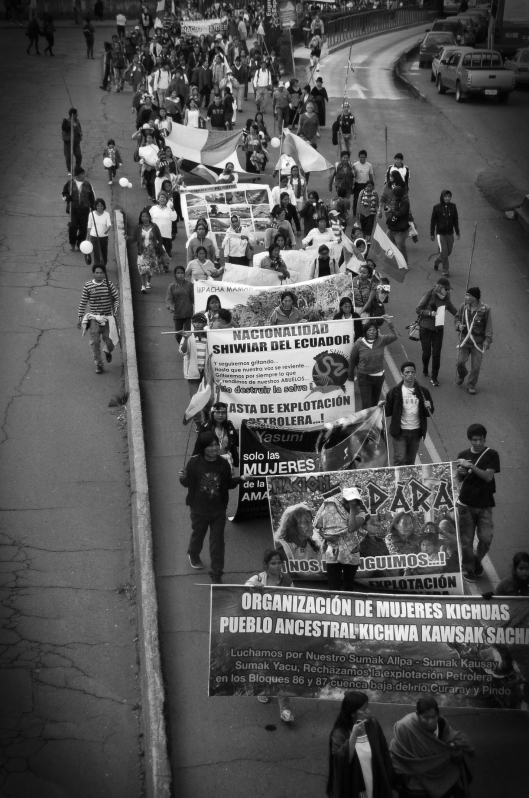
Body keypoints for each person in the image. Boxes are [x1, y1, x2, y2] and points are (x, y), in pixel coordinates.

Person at [179, 431, 241, 584]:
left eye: (216, 444)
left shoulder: (223, 463)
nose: (214, 448)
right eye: (210, 445)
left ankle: (217, 573)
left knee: (217, 543)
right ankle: (193, 553)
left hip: (218, 511)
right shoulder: (194, 463)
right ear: (203, 447)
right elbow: (187, 484)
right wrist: (182, 478)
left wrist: (241, 479)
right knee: (198, 536)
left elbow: (229, 484)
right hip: (198, 511)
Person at [390, 696, 474, 798]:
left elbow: (456, 739)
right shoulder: (405, 727)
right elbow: (396, 752)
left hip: (441, 781)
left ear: (438, 715)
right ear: (417, 714)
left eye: (434, 717)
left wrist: (456, 750)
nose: (431, 721)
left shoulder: (442, 725)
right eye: (426, 718)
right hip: (414, 785)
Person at [327, 690, 394, 798]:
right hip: (354, 787)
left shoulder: (372, 725)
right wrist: (354, 735)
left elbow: (384, 754)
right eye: (363, 709)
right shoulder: (340, 733)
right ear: (352, 713)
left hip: (376, 782)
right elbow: (341, 762)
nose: (368, 711)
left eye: (368, 707)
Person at [456, 423, 500, 582]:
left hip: (485, 504)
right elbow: (460, 479)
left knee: (486, 538)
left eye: (481, 439)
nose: (478, 443)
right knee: (466, 541)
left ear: (485, 438)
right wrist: (460, 471)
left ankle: (476, 560)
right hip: (465, 504)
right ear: (470, 440)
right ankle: (468, 567)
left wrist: (471, 466)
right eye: (475, 440)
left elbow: (488, 477)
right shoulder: (462, 455)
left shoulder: (492, 455)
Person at [314, 486, 369, 592]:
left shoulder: (361, 514)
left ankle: (348, 606)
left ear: (358, 502)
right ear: (343, 502)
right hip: (333, 551)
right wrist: (325, 536)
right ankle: (335, 606)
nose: (351, 504)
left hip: (351, 553)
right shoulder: (333, 510)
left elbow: (351, 527)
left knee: (348, 586)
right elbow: (319, 527)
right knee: (334, 586)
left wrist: (353, 509)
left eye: (354, 502)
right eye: (348, 502)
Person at [385, 362, 434, 466]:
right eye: (407, 372)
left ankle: (407, 481)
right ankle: (398, 481)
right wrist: (383, 406)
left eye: (412, 372)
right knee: (400, 459)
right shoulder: (395, 392)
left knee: (410, 461)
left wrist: (429, 407)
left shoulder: (423, 392)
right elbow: (387, 412)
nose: (410, 374)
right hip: (400, 432)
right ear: (402, 374)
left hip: (416, 432)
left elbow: (429, 413)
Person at [348, 317, 398, 410]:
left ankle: (373, 424)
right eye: (369, 330)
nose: (372, 332)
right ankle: (367, 424)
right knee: (366, 405)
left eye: (374, 330)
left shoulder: (382, 340)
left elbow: (395, 335)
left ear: (377, 331)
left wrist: (389, 323)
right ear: (365, 331)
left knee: (374, 404)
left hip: (379, 377)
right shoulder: (359, 343)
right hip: (364, 378)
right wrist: (351, 376)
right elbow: (352, 359)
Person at [77, 265, 119, 374]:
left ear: (104, 274)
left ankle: (107, 350)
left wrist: (115, 310)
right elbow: (83, 301)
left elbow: (116, 299)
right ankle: (99, 364)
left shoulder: (109, 285)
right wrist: (80, 316)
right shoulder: (88, 286)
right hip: (94, 319)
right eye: (97, 273)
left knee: (110, 341)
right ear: (93, 273)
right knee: (95, 343)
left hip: (108, 318)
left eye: (101, 273)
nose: (99, 275)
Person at [416, 277, 457, 387]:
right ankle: (425, 367)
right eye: (446, 289)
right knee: (426, 353)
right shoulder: (429, 295)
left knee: (436, 354)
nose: (447, 291)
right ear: (440, 287)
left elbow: (452, 309)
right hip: (425, 328)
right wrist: (430, 313)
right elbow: (418, 309)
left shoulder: (446, 298)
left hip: (438, 329)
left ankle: (434, 377)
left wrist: (463, 316)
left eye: (448, 290)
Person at [455, 287, 492, 395]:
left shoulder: (486, 309)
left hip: (478, 342)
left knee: (476, 366)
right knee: (460, 362)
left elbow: (489, 327)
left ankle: (471, 384)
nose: (465, 297)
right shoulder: (463, 307)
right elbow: (457, 318)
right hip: (465, 340)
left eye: (468, 295)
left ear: (474, 298)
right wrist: (458, 325)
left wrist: (487, 341)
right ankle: (462, 374)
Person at [193, 402, 239, 471]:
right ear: (212, 413)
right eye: (217, 413)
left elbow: (237, 442)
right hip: (210, 461)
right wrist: (193, 462)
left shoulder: (229, 426)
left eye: (223, 413)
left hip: (226, 460)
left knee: (228, 481)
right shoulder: (206, 426)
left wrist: (236, 460)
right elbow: (199, 445)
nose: (220, 415)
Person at [129, 208, 166, 292]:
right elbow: (134, 239)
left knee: (150, 268)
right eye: (143, 216)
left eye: (146, 216)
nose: (144, 218)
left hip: (152, 251)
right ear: (140, 217)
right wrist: (127, 238)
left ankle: (148, 282)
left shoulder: (154, 226)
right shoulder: (138, 227)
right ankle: (143, 285)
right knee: (142, 268)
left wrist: (160, 248)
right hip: (142, 252)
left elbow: (160, 238)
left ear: (149, 217)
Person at [62, 166, 95, 252]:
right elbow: (63, 194)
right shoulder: (69, 183)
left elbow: (92, 197)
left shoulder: (88, 184)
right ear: (77, 175)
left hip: (84, 209)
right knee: (72, 226)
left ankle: (81, 244)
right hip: (73, 209)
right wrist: (67, 197)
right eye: (81, 174)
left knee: (83, 228)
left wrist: (93, 207)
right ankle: (72, 243)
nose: (83, 175)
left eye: (84, 174)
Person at [430, 190, 460, 277]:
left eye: (449, 196)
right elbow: (433, 221)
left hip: (450, 233)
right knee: (444, 251)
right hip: (441, 234)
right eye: (445, 196)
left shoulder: (453, 207)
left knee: (448, 252)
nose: (447, 198)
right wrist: (432, 233)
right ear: (442, 197)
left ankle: (438, 260)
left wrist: (457, 232)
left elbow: (455, 220)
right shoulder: (436, 207)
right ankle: (445, 269)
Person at [166, 265, 194, 344]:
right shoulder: (172, 286)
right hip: (177, 313)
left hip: (189, 313)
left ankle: (187, 348)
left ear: (184, 274)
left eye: (182, 273)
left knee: (188, 333)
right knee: (178, 334)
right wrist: (170, 307)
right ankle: (182, 346)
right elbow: (169, 299)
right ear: (175, 274)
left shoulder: (190, 285)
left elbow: (194, 297)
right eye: (178, 273)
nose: (180, 274)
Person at [386, 186, 410, 264]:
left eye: (395, 194)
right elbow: (396, 210)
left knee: (400, 246)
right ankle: (392, 259)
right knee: (387, 241)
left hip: (401, 229)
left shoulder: (405, 202)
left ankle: (405, 262)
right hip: (393, 227)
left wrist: (392, 212)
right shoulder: (397, 200)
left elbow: (401, 213)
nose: (394, 196)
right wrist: (391, 209)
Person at [149, 192, 176, 259]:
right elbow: (149, 219)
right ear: (158, 199)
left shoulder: (170, 209)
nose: (162, 199)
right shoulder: (153, 208)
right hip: (155, 234)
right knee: (156, 253)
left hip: (166, 234)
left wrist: (173, 209)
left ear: (167, 200)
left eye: (164, 198)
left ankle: (165, 268)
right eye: (161, 197)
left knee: (166, 253)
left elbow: (174, 218)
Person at [86, 199, 112, 267]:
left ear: (104, 206)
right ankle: (96, 267)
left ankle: (103, 265)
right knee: (96, 252)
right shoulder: (91, 214)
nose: (100, 207)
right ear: (95, 206)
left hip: (104, 237)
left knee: (104, 252)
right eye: (98, 206)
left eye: (101, 206)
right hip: (94, 237)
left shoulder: (107, 214)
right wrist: (87, 238)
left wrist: (107, 230)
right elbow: (89, 226)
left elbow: (109, 224)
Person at [352, 151, 375, 216]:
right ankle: (355, 213)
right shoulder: (355, 165)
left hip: (366, 185)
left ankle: (365, 212)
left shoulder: (369, 165)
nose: (362, 159)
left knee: (366, 199)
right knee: (356, 199)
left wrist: (372, 185)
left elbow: (370, 175)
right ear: (359, 157)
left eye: (364, 157)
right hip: (357, 184)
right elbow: (353, 175)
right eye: (361, 157)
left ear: (366, 157)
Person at [61, 108, 83, 174]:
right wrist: (71, 125)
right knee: (68, 157)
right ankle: (69, 170)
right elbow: (64, 128)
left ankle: (77, 167)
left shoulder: (77, 121)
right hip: (68, 142)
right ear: (73, 115)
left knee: (79, 155)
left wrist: (80, 134)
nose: (77, 115)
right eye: (76, 114)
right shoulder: (66, 121)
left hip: (76, 142)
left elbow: (79, 128)